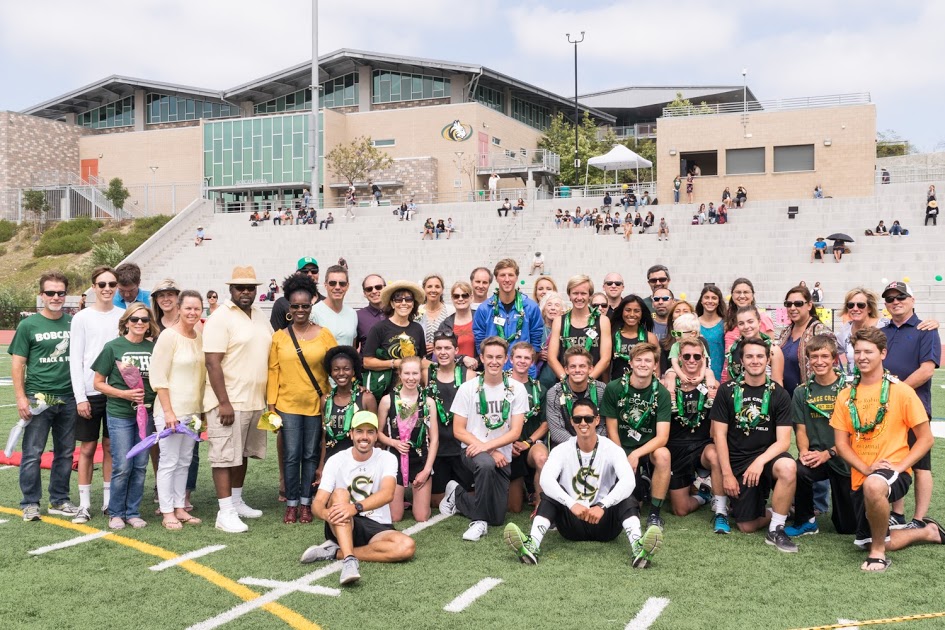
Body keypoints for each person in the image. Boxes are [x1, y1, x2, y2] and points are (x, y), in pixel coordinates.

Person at [830, 327, 942, 572]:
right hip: (863, 473)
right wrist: (866, 468)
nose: (862, 357)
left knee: (874, 486)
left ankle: (878, 555)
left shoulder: (901, 391)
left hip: (893, 471)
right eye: (857, 351)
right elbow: (841, 444)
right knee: (865, 539)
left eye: (868, 351)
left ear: (883, 353)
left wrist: (901, 466)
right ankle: (927, 532)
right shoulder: (846, 395)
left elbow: (925, 439)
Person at [504, 398, 663, 567]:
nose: (583, 423)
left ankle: (639, 549)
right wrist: (572, 504)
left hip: (604, 523)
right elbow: (546, 480)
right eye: (577, 419)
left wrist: (602, 505)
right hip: (572, 523)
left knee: (625, 496)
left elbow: (629, 481)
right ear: (572, 422)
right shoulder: (561, 450)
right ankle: (532, 545)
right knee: (549, 495)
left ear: (596, 420)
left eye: (588, 419)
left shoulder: (612, 449)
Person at [300, 410, 416, 585]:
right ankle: (349, 561)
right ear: (351, 433)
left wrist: (354, 508)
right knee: (340, 493)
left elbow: (387, 494)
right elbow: (318, 503)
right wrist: (327, 515)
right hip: (343, 521)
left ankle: (334, 552)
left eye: (370, 432)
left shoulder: (387, 458)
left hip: (377, 524)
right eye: (360, 431)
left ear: (377, 435)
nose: (365, 437)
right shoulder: (336, 460)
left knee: (406, 547)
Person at [203, 266, 274, 533]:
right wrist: (223, 401)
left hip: (254, 400)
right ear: (230, 289)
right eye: (240, 288)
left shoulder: (258, 314)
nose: (246, 292)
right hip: (229, 401)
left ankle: (236, 500)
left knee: (241, 454)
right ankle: (225, 512)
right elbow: (212, 362)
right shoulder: (220, 317)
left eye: (250, 288)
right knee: (223, 457)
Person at [710, 337, 797, 551]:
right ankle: (780, 510)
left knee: (788, 466)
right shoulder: (726, 390)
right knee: (746, 526)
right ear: (741, 360)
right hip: (738, 459)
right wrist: (728, 474)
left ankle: (777, 527)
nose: (755, 360)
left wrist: (759, 462)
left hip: (767, 457)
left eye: (760, 356)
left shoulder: (780, 393)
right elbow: (719, 435)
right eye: (749, 356)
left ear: (768, 360)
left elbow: (784, 441)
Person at [438, 336, 527, 541]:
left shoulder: (516, 388)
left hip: (501, 454)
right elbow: (458, 430)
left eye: (498, 357)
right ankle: (478, 522)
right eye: (489, 357)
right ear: (481, 357)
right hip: (471, 450)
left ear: (506, 359)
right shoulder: (468, 388)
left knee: (496, 517)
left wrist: (492, 449)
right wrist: (488, 450)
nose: (494, 361)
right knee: (486, 464)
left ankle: (457, 494)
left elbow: (515, 432)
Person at [11, 272, 80, 522]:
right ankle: (30, 502)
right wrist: (21, 398)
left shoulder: (74, 322)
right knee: (32, 452)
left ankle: (59, 499)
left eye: (60, 292)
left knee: (65, 451)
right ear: (42, 295)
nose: (55, 297)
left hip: (69, 397)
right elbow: (18, 364)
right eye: (50, 292)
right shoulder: (28, 325)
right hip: (38, 397)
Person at [268, 273, 336, 524]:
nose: (299, 310)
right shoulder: (279, 337)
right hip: (287, 405)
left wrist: (333, 397)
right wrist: (271, 409)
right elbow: (273, 373)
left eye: (305, 306)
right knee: (291, 454)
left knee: (310, 454)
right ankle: (291, 503)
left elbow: (336, 367)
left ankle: (307, 503)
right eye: (295, 306)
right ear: (288, 305)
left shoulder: (324, 334)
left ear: (312, 304)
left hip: (317, 404)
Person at [880, 281, 942, 529]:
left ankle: (919, 519)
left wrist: (898, 392)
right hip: (886, 408)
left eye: (901, 297)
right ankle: (898, 513)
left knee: (920, 465)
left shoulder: (926, 330)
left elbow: (927, 370)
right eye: (890, 299)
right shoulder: (882, 332)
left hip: (915, 407)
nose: (895, 302)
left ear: (912, 300)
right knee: (894, 460)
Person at [92, 302, 158, 529]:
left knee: (140, 465)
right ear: (126, 322)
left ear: (150, 324)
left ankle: (133, 511)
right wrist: (124, 393)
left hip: (146, 415)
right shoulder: (113, 347)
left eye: (144, 319)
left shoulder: (154, 348)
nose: (140, 323)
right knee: (122, 465)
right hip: (120, 414)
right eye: (134, 319)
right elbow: (98, 383)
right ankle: (116, 512)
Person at [782, 335, 855, 538]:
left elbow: (855, 434)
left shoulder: (849, 390)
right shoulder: (801, 392)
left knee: (847, 528)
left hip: (844, 459)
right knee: (798, 468)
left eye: (825, 356)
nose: (819, 361)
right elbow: (802, 429)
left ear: (834, 359)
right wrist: (804, 452)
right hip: (817, 457)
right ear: (808, 359)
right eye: (814, 356)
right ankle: (806, 521)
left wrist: (829, 453)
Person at [69, 266, 122, 523]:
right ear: (93, 287)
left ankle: (109, 503)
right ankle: (84, 504)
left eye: (112, 284)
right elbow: (75, 359)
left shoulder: (124, 316)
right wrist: (80, 397)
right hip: (90, 393)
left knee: (111, 448)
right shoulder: (82, 318)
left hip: (115, 394)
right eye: (102, 284)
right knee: (88, 448)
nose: (107, 289)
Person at [602, 343, 672, 532]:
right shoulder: (614, 388)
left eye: (648, 360)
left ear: (655, 365)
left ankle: (655, 514)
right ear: (631, 363)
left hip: (647, 448)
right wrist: (622, 456)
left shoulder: (662, 394)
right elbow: (612, 429)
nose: (643, 364)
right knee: (628, 507)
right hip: (620, 446)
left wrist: (636, 454)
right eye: (638, 360)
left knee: (664, 455)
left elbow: (662, 437)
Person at [150, 290, 206, 530]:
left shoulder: (200, 337)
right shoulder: (168, 337)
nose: (192, 312)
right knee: (169, 461)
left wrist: (201, 413)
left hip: (193, 410)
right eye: (188, 308)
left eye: (197, 308)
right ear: (180, 309)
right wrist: (169, 412)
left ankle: (180, 506)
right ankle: (166, 511)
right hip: (170, 410)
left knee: (184, 461)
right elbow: (159, 376)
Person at [662, 337, 726, 530]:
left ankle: (721, 510)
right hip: (676, 448)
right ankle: (702, 496)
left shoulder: (712, 385)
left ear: (703, 358)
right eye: (687, 356)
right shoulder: (667, 385)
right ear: (679, 358)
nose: (692, 360)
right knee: (680, 510)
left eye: (696, 356)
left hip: (702, 446)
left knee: (715, 454)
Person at [377, 357, 438, 522]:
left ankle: (414, 498)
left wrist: (426, 470)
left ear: (421, 374)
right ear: (400, 374)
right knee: (395, 517)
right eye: (407, 373)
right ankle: (397, 499)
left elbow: (434, 439)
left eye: (415, 373)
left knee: (421, 517)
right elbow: (378, 434)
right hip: (394, 460)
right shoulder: (387, 400)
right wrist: (394, 443)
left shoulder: (428, 402)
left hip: (420, 460)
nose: (411, 378)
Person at [426, 332, 477, 508]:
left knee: (472, 496)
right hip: (438, 447)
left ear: (456, 350)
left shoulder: (468, 375)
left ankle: (457, 493)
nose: (443, 352)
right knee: (435, 502)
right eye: (438, 348)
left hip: (461, 446)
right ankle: (453, 493)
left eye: (448, 348)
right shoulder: (427, 373)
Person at [472, 259, 543, 372]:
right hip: (494, 370)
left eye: (511, 275)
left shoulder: (530, 307)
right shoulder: (485, 309)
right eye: (502, 275)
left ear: (516, 277)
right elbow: (480, 340)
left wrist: (528, 362)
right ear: (496, 278)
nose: (507, 279)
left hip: (522, 371)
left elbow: (536, 339)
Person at [318, 346, 377, 481]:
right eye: (336, 369)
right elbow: (324, 437)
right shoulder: (325, 400)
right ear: (330, 372)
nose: (341, 373)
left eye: (346, 369)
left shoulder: (366, 398)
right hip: (332, 462)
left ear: (353, 371)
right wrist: (321, 466)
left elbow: (375, 435)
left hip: (360, 462)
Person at [361, 281, 427, 399]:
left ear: (413, 304)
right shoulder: (379, 328)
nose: (403, 303)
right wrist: (393, 363)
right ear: (392, 304)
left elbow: (422, 360)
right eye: (398, 299)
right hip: (385, 391)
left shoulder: (417, 328)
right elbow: (367, 362)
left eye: (408, 299)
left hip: (412, 390)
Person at [505, 342, 548, 513]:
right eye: (518, 357)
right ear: (510, 359)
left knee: (542, 458)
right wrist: (507, 444)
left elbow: (545, 423)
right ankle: (522, 489)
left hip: (530, 443)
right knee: (513, 508)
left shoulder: (539, 388)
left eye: (527, 358)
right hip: (505, 444)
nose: (522, 361)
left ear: (532, 362)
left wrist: (528, 442)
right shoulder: (501, 384)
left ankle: (541, 507)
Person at [547, 275, 612, 381]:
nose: (579, 297)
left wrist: (587, 381)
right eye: (575, 293)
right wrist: (567, 382)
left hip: (593, 384)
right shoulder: (559, 321)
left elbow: (605, 359)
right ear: (569, 295)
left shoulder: (602, 321)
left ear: (590, 296)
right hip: (565, 384)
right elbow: (552, 358)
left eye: (583, 293)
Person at [778, 285, 836, 396]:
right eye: (788, 304)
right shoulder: (785, 332)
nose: (792, 308)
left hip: (811, 398)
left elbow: (830, 366)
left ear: (809, 305)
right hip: (786, 399)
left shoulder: (820, 332)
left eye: (798, 304)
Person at [545, 347, 607, 447]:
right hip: (565, 446)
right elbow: (557, 431)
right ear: (566, 369)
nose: (577, 370)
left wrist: (591, 444)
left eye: (582, 366)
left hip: (597, 445)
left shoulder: (602, 390)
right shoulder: (554, 392)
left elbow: (604, 425)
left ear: (590, 369)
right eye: (573, 366)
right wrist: (579, 445)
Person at [725, 305, 785, 385]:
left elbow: (777, 383)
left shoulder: (773, 350)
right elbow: (729, 382)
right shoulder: (732, 349)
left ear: (759, 322)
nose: (746, 327)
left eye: (750, 322)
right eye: (741, 323)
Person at [609, 295, 659, 380]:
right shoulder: (612, 336)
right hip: (617, 387)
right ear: (621, 312)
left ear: (642, 313)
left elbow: (656, 368)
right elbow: (607, 366)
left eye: (637, 311)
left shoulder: (650, 337)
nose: (632, 314)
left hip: (643, 387)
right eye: (628, 310)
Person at [270, 258, 324, 332]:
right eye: (305, 271)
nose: (310, 274)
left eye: (314, 271)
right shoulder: (281, 303)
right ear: (296, 274)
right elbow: (276, 335)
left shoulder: (325, 302)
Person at [311, 265, 358, 347]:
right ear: (325, 285)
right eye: (332, 283)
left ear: (347, 286)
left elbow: (353, 345)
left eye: (342, 283)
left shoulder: (352, 313)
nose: (337, 287)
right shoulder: (314, 312)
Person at [437, 281, 477, 363]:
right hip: (454, 371)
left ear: (471, 298)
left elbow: (487, 346)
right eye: (456, 296)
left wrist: (476, 362)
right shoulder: (445, 324)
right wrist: (462, 359)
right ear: (452, 299)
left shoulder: (480, 318)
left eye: (465, 295)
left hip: (479, 369)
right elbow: (441, 351)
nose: (460, 299)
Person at [356, 274, 387, 348]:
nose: (374, 291)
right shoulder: (357, 316)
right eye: (369, 289)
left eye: (378, 287)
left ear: (385, 288)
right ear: (364, 293)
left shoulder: (396, 312)